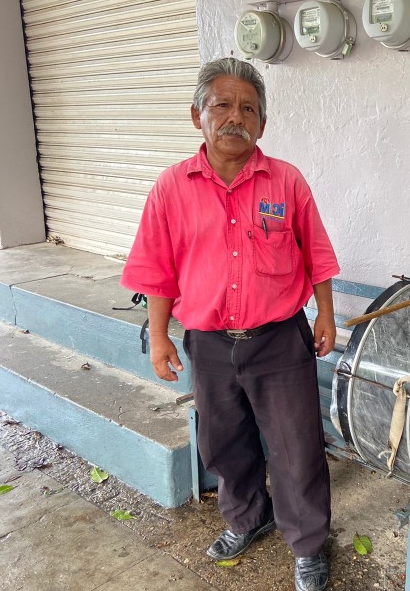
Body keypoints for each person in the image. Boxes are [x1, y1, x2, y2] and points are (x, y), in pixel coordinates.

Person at [120, 57, 338, 591]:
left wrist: (326, 314)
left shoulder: (285, 181)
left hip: (280, 340)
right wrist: (158, 335)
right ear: (198, 115)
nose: (235, 117)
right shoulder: (171, 188)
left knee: (296, 447)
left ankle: (308, 544)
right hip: (209, 344)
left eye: (248, 109)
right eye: (222, 105)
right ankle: (248, 519)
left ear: (262, 124)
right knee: (222, 444)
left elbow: (317, 253)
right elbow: (156, 269)